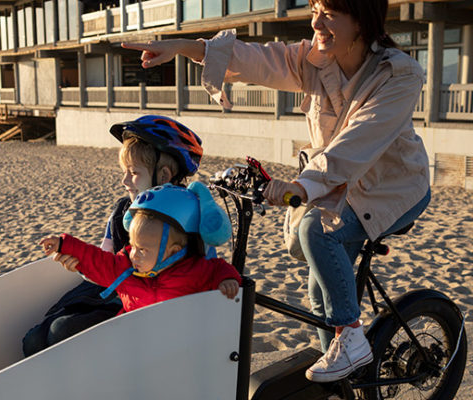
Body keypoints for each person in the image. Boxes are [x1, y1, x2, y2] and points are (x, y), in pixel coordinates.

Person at [122, 0, 431, 383]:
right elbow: (260, 59)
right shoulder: (318, 58)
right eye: (314, 8)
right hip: (340, 184)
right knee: (319, 294)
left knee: (316, 232)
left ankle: (351, 337)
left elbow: (356, 143)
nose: (316, 20)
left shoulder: (398, 74)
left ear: (362, 17)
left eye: (329, 12)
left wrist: (302, 185)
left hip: (392, 189)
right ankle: (343, 369)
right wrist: (185, 47)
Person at [22, 115, 206, 357]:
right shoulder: (122, 211)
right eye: (124, 171)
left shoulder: (186, 217)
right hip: (108, 286)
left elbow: (202, 271)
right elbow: (104, 258)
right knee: (34, 339)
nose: (125, 180)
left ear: (163, 176)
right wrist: (79, 263)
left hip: (141, 302)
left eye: (134, 172)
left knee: (61, 331)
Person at [39, 183, 241, 315]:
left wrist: (228, 280)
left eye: (142, 249)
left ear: (173, 251)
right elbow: (98, 260)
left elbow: (218, 268)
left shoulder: (194, 271)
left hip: (176, 346)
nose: (133, 254)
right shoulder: (126, 268)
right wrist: (65, 244)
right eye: (133, 245)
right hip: (133, 341)